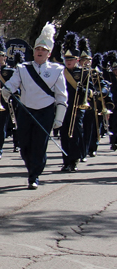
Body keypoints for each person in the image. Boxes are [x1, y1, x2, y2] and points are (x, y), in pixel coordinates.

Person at [2, 24, 67, 189]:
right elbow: (13, 84)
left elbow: (61, 96)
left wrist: (59, 118)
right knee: (24, 145)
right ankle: (31, 169)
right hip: (25, 110)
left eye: (44, 49)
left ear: (49, 53)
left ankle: (34, 175)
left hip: (45, 112)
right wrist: (6, 90)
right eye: (38, 48)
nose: (40, 51)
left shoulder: (57, 70)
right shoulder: (23, 68)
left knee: (39, 145)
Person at [58, 32, 85, 172]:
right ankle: (66, 160)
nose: (68, 61)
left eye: (71, 59)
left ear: (77, 59)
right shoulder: (60, 72)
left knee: (74, 132)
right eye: (66, 58)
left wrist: (85, 91)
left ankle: (74, 160)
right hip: (64, 106)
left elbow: (92, 90)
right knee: (64, 133)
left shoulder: (84, 73)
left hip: (78, 106)